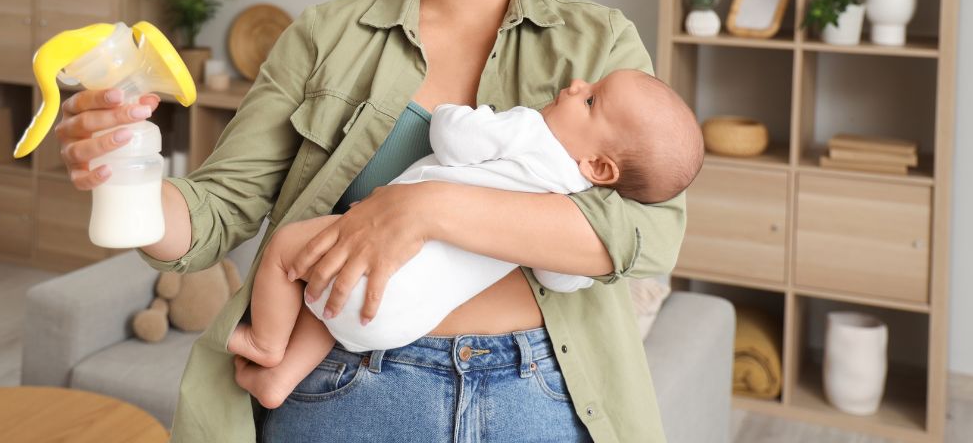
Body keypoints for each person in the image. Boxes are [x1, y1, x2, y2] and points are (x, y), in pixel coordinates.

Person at [55, 0, 686, 443]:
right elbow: (214, 214)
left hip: (538, 390)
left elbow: (648, 234)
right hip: (344, 388)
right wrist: (124, 169)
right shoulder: (324, 38)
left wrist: (426, 207)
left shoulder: (599, 46)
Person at [225, 69, 704, 409]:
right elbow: (559, 279)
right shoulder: (570, 205)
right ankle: (281, 379)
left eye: (591, 100)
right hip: (400, 322)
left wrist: (467, 112)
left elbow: (451, 136)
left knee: (290, 250)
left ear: (600, 167)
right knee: (332, 305)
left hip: (373, 275)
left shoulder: (530, 131)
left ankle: (266, 346)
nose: (576, 85)